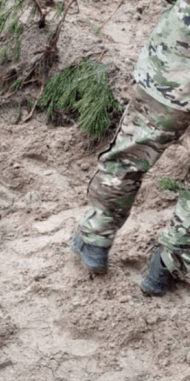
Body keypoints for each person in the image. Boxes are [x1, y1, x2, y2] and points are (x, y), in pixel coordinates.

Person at [71, 0, 190, 296]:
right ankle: (168, 264)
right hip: (174, 69)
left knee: (130, 156)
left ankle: (95, 240)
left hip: (173, 72)